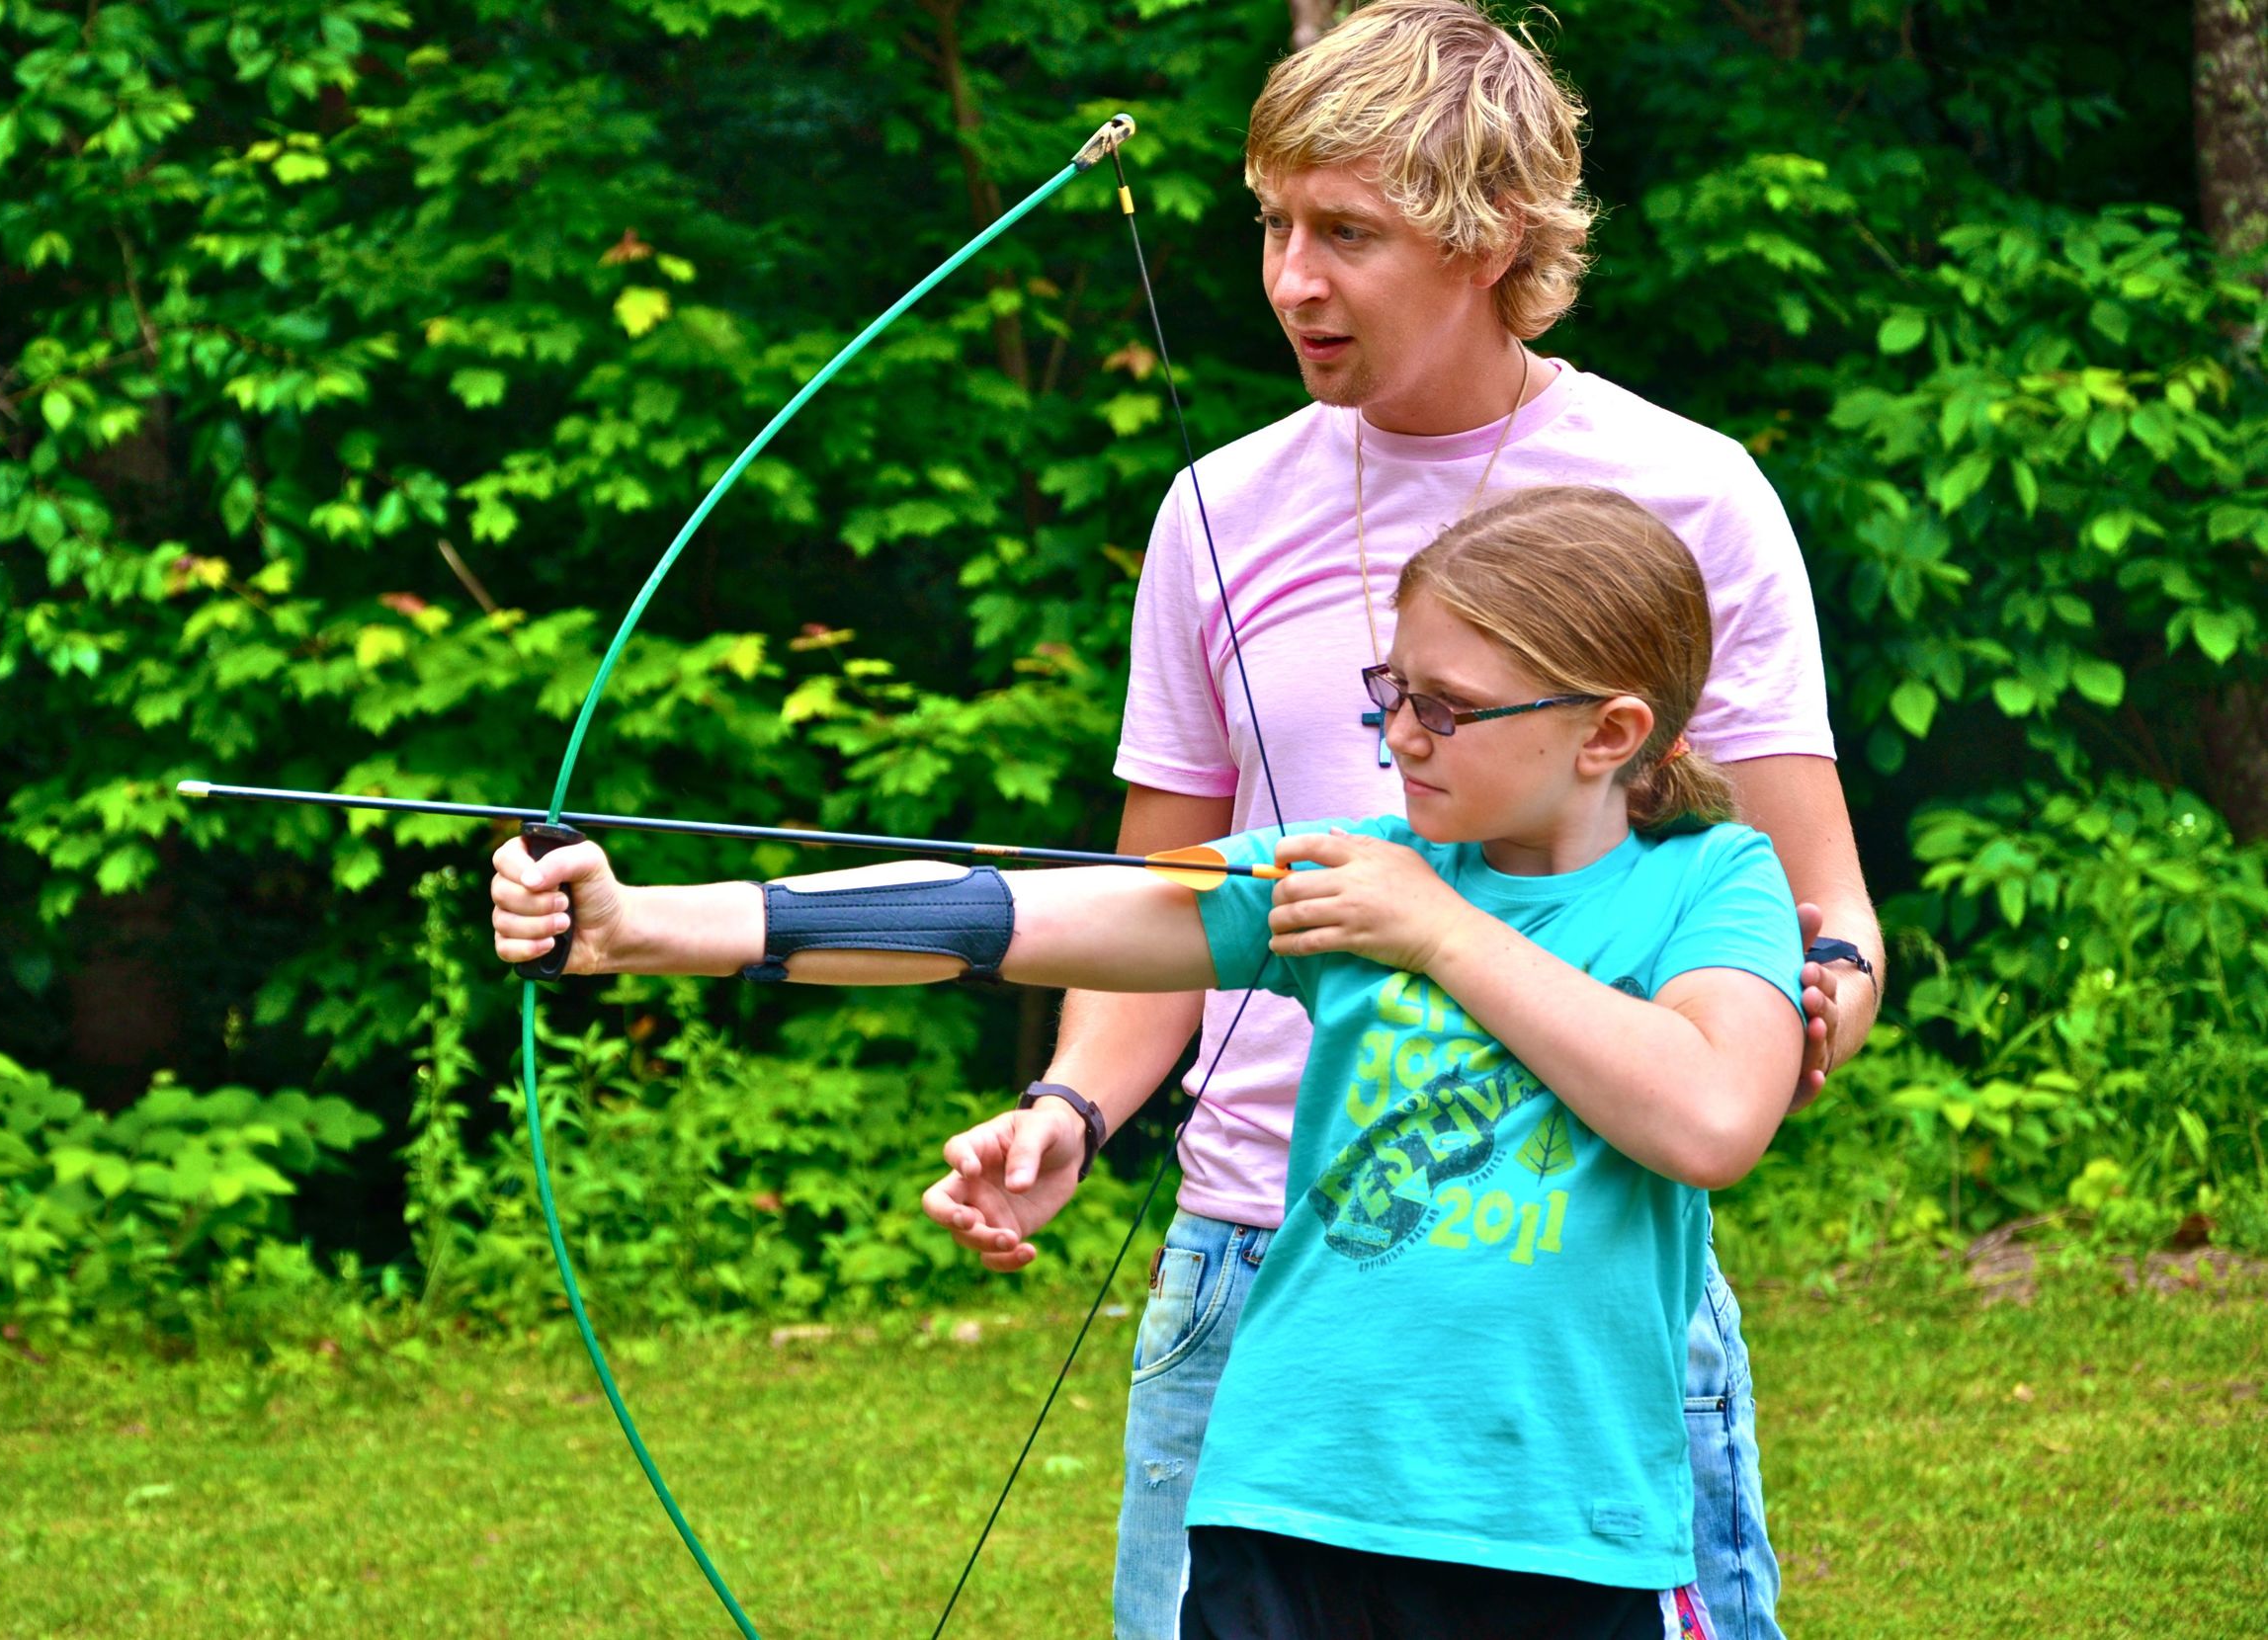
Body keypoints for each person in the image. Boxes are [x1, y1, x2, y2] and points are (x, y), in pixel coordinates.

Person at [918, 4, 1883, 1636]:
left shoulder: (1690, 492)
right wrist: (1072, 1113)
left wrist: (1822, 992)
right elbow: (1157, 903)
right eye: (1273, 222)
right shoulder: (1217, 506)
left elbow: (1818, 903)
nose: (1292, 278)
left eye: (1346, 232)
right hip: (1251, 1254)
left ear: (1491, 232)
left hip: (1563, 1263)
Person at [491, 487, 1807, 1639]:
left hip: (1557, 1530)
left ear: (1610, 731)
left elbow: (1709, 1116)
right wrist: (644, 924)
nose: (1401, 734)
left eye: (1449, 708)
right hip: (1283, 1499)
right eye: (1391, 691)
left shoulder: (1709, 881)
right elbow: (1011, 917)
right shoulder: (1346, 871)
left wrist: (1442, 934)